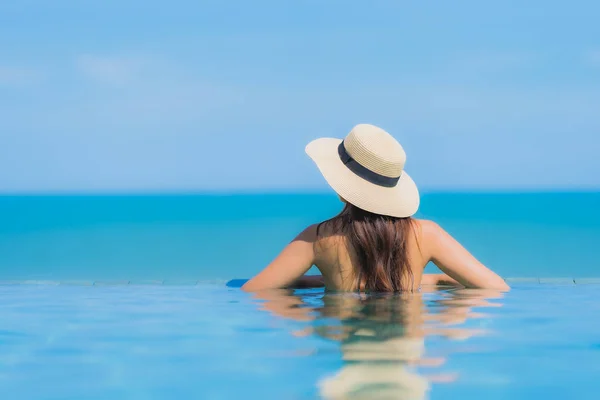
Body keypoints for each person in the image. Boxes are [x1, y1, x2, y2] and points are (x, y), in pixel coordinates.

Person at [242, 124, 509, 292]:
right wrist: (431, 290)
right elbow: (496, 287)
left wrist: (308, 321)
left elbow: (255, 290)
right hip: (405, 355)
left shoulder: (319, 238)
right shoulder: (426, 235)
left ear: (340, 186)